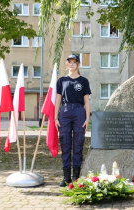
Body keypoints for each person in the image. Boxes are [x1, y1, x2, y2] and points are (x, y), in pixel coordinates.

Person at [55, 54, 91, 187]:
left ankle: (76, 176)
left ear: (78, 64)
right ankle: (66, 177)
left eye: (74, 62)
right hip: (64, 112)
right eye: (69, 62)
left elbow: (86, 101)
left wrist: (87, 118)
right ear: (67, 64)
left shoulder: (83, 81)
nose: (71, 64)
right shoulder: (61, 81)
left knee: (78, 143)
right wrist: (55, 117)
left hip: (79, 111)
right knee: (65, 143)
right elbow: (58, 100)